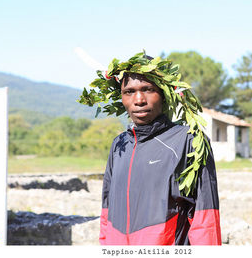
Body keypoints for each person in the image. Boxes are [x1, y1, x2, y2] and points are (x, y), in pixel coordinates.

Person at [78, 52, 221, 245]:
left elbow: (206, 219)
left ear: (164, 94)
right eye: (129, 92)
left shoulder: (189, 141)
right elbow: (107, 211)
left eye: (148, 89)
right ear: (121, 97)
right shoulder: (119, 145)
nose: (138, 100)